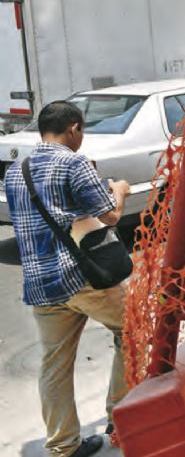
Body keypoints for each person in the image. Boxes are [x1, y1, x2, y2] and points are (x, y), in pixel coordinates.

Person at [5, 101, 131, 457]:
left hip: (41, 285)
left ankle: (63, 446)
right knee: (134, 329)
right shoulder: (73, 161)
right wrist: (119, 189)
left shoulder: (17, 170)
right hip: (81, 278)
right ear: (74, 127)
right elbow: (110, 216)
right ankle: (120, 417)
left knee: (55, 365)